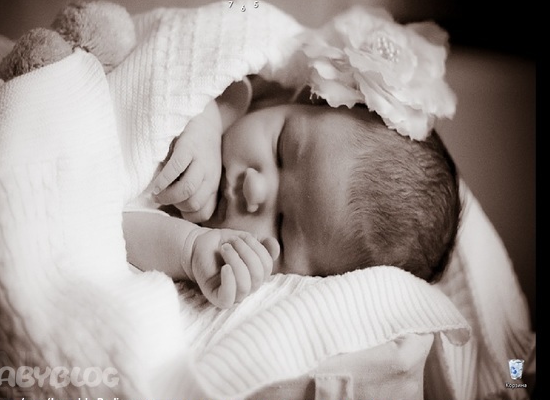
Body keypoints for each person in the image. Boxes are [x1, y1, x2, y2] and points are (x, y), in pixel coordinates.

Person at [123, 75, 461, 309]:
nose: (254, 187)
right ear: (297, 100)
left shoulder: (212, 263)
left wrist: (189, 250)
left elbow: (111, 230)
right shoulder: (234, 94)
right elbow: (192, 75)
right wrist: (206, 121)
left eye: (282, 228)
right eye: (281, 149)